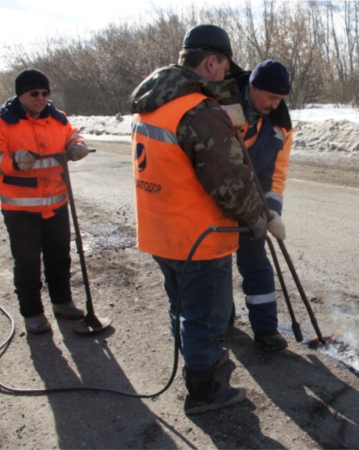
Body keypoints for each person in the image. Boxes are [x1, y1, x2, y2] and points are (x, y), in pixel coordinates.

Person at [129, 24, 267, 415]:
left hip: (161, 232)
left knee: (183, 306)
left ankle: (199, 360)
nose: (225, 75)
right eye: (224, 66)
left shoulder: (155, 103)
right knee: (205, 315)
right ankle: (204, 388)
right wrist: (255, 218)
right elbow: (229, 181)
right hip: (198, 236)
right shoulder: (197, 111)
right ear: (211, 61)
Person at [0, 69, 90, 335]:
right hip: (20, 208)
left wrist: (78, 145)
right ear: (21, 94)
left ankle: (62, 303)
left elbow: (74, 135)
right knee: (27, 263)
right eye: (34, 93)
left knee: (59, 257)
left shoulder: (57, 118)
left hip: (57, 204)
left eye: (45, 93)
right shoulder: (4, 122)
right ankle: (33, 314)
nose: (41, 98)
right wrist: (13, 161)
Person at [228, 60, 293, 352]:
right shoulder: (223, 104)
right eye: (270, 97)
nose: (275, 104)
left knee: (257, 263)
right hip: (213, 199)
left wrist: (271, 211)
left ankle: (266, 329)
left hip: (251, 202)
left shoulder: (280, 125)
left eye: (280, 99)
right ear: (252, 87)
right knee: (214, 268)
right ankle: (220, 323)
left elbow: (275, 174)